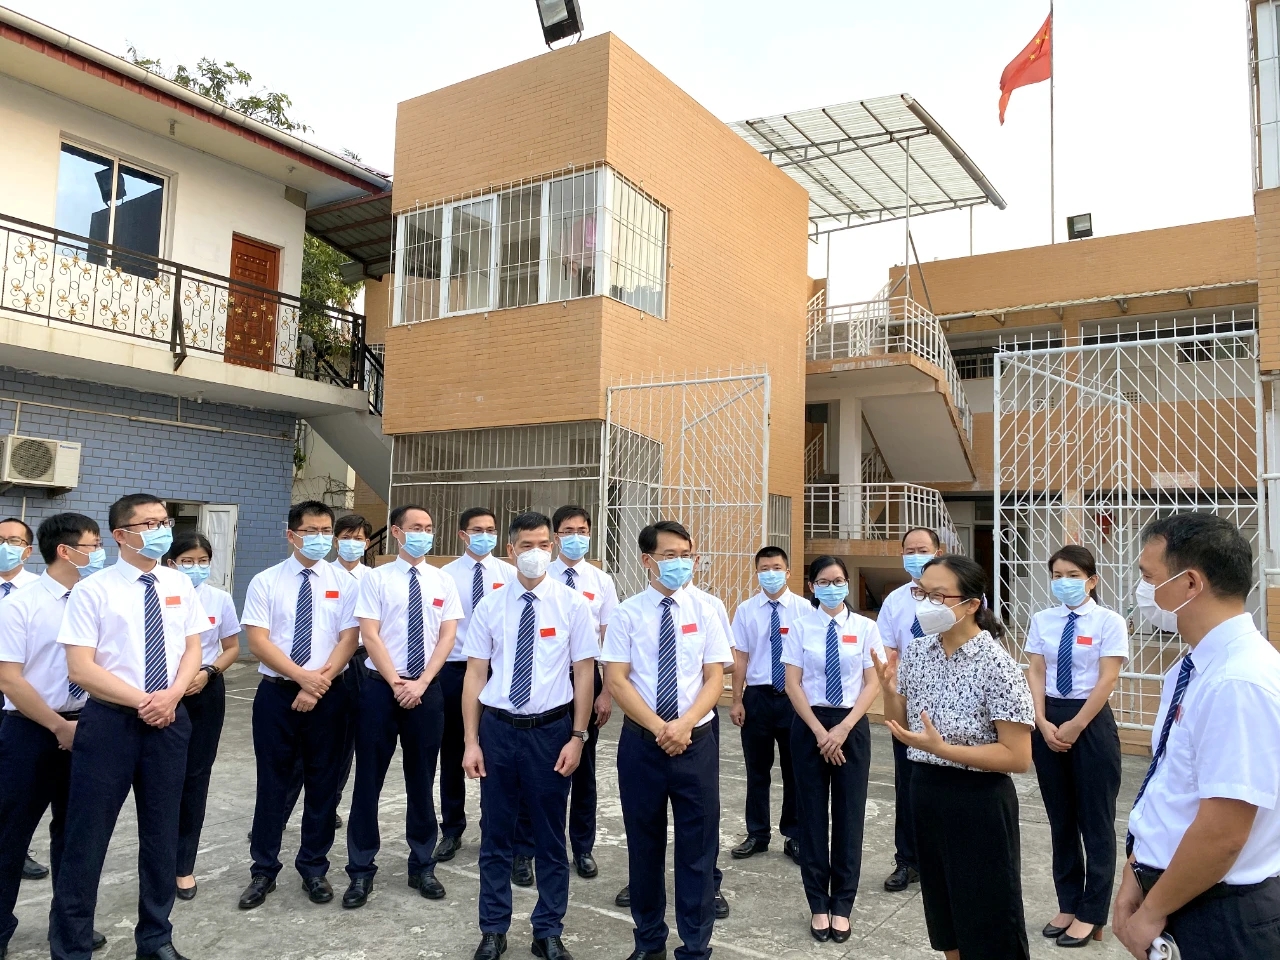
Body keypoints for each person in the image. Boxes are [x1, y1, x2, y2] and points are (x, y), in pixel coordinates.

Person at [1115, 513, 1280, 960]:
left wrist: (1151, 913)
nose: (1142, 591)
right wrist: (1136, 872)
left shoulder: (1238, 681)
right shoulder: (1194, 668)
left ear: (1190, 583)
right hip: (1175, 894)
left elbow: (1223, 832)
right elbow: (1171, 785)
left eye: (1149, 578)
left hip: (1218, 914)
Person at [51, 494, 207, 960]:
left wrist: (171, 696)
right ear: (121, 535)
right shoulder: (93, 591)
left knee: (161, 834)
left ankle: (156, 939)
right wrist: (144, 701)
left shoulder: (178, 583)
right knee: (87, 836)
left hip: (169, 722)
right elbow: (80, 668)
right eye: (150, 524)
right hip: (110, 724)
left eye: (164, 522)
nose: (162, 530)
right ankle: (72, 946)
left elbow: (193, 648)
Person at [873, 554, 1034, 960]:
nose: (927, 604)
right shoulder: (918, 652)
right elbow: (902, 724)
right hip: (926, 791)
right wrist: (889, 692)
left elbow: (1017, 757)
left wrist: (944, 749)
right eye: (921, 594)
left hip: (978, 799)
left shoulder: (998, 665)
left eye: (938, 596)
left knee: (989, 916)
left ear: (972, 604)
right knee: (944, 914)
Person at [462, 511, 596, 960]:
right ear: (510, 550)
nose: (535, 553)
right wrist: (471, 741)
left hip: (551, 733)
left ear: (552, 548)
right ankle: (493, 929)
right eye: (526, 546)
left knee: (550, 838)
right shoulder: (490, 605)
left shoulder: (573, 605)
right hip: (499, 730)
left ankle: (548, 930)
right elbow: (475, 674)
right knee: (495, 835)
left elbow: (584, 672)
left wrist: (578, 736)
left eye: (543, 545)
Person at [602, 520, 732, 960]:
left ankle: (695, 947)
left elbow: (714, 677)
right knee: (644, 846)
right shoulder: (627, 613)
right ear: (647, 560)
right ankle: (649, 940)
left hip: (696, 743)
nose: (681, 563)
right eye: (670, 555)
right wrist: (661, 728)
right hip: (643, 745)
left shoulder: (707, 609)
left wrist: (684, 724)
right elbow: (617, 680)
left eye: (686, 555)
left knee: (698, 848)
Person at [238, 500, 359, 910]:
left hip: (329, 695)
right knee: (273, 783)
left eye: (326, 531)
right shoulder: (266, 581)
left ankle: (314, 867)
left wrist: (317, 683)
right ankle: (263, 870)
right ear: (291, 535)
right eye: (311, 531)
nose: (320, 538)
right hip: (276, 695)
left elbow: (349, 639)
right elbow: (258, 641)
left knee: (324, 784)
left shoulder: (345, 582)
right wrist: (301, 678)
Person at [343, 505, 461, 908]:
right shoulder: (375, 579)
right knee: (368, 780)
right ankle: (360, 870)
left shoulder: (443, 581)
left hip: (426, 691)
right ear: (396, 532)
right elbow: (370, 635)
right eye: (415, 527)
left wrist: (422, 682)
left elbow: (448, 637)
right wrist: (396, 682)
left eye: (428, 528)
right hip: (381, 689)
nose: (423, 534)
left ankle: (423, 864)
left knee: (422, 779)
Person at [0, 513, 107, 958]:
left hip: (93, 725)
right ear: (66, 551)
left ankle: (70, 928)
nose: (100, 553)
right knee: (9, 834)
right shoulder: (20, 604)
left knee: (78, 836)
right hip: (31, 730)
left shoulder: (99, 600)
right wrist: (58, 726)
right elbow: (9, 679)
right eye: (93, 545)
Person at [1026, 545, 1127, 947]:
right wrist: (1041, 721)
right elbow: (1036, 670)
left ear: (1091, 580)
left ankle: (1091, 913)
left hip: (1090, 721)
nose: (1063, 582)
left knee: (1096, 821)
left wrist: (1076, 725)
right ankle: (1068, 903)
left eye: (1072, 575)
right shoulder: (1042, 619)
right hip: (1048, 719)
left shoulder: (1109, 621)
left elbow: (1108, 678)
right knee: (1061, 819)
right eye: (1057, 575)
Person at [782, 556, 881, 943]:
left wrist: (842, 729)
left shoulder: (866, 628)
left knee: (849, 817)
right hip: (810, 725)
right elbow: (793, 683)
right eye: (824, 581)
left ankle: (842, 904)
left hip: (850, 726)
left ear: (847, 584)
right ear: (812, 586)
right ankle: (817, 905)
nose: (832, 587)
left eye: (838, 580)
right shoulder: (800, 627)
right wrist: (821, 732)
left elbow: (872, 683)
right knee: (811, 818)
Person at [266, 513, 374, 846]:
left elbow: (356, 635)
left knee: (341, 744)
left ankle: (329, 806)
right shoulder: (307, 576)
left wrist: (319, 683)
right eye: (345, 537)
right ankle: (278, 815)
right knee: (295, 753)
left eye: (359, 538)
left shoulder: (371, 579)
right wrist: (307, 680)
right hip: (306, 668)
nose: (352, 544)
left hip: (354, 662)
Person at [437, 508, 517, 868]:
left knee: (498, 752)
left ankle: (496, 829)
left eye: (491, 529)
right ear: (462, 535)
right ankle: (452, 828)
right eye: (477, 530)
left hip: (499, 670)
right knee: (454, 750)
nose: (486, 536)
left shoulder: (510, 574)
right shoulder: (446, 576)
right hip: (456, 669)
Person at [164, 531, 240, 903]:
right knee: (162, 779)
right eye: (187, 561)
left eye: (203, 561)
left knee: (196, 777)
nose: (196, 568)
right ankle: (159, 860)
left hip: (204, 692)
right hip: (163, 693)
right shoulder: (158, 595)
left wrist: (209, 672)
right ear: (171, 563)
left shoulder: (219, 599)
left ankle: (183, 865)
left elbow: (231, 647)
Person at [544, 505, 618, 879]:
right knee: (541, 767)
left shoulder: (601, 581)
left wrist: (607, 694)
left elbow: (611, 641)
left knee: (583, 767)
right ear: (556, 537)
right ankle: (536, 847)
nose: (577, 537)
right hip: (545, 681)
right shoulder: (541, 576)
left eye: (583, 531)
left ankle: (583, 847)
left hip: (587, 681)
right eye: (569, 531)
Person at [875, 526, 943, 892]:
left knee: (948, 784)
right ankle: (908, 860)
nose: (916, 556)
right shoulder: (894, 601)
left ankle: (943, 860)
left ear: (938, 552)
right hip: (907, 702)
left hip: (950, 701)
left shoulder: (959, 594)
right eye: (909, 550)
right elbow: (888, 650)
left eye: (922, 549)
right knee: (908, 783)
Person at [729, 545, 804, 864]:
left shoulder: (804, 609)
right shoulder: (746, 610)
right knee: (757, 770)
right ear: (757, 573)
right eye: (764, 569)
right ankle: (757, 834)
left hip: (794, 698)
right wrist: (736, 700)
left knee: (795, 770)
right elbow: (741, 658)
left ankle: (795, 835)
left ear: (787, 572)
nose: (770, 574)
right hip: (757, 698)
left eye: (776, 568)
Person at [0, 517, 50, 884]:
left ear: (29, 550)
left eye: (14, 541)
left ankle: (18, 851)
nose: (6, 546)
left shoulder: (39, 591)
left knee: (18, 787)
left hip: (23, 697)